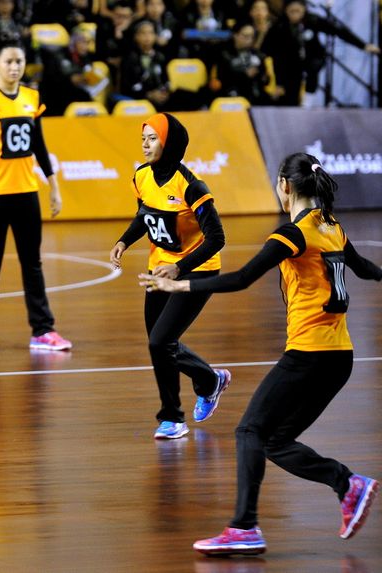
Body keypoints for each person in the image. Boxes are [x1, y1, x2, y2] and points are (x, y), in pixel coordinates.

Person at [139, 152, 381, 555]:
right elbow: (362, 267)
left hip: (309, 355)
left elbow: (241, 279)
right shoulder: (330, 226)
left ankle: (245, 527)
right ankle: (347, 484)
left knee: (249, 431)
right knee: (273, 440)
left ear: (285, 186)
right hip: (339, 357)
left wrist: (179, 286)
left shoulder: (293, 233)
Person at [109, 112, 228, 440]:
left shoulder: (191, 186)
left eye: (152, 138)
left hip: (196, 271)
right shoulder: (141, 176)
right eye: (143, 139)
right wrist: (123, 240)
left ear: (170, 142)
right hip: (158, 270)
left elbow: (217, 238)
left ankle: (173, 418)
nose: (145, 145)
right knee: (159, 343)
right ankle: (209, 380)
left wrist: (180, 268)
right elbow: (144, 215)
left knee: (160, 341)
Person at [0, 35, 72, 353]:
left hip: (26, 192)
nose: (14, 66)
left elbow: (40, 147)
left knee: (32, 262)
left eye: (19, 61)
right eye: (8, 61)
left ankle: (43, 330)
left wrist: (54, 186)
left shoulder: (32, 98)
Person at [261, 0, 381, 107]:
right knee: (290, 93)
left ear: (304, 9)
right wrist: (279, 82)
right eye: (291, 11)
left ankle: (308, 99)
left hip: (313, 57)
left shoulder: (313, 20)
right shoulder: (279, 26)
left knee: (313, 67)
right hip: (291, 64)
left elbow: (339, 31)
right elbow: (272, 54)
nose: (294, 15)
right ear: (286, 11)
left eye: (298, 11)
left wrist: (363, 45)